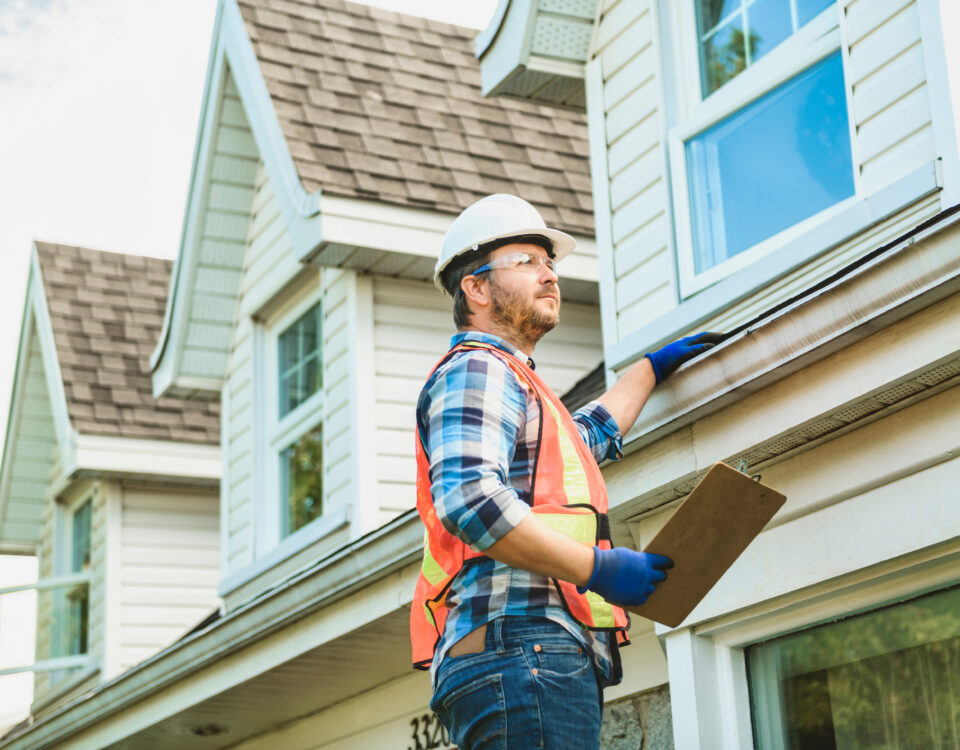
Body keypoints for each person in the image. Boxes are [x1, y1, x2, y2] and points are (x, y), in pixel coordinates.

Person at [410, 194, 723, 749]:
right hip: (523, 649)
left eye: (549, 263)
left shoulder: (518, 384)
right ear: (476, 289)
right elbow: (471, 500)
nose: (549, 274)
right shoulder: (479, 368)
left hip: (526, 654)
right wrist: (597, 568)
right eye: (526, 261)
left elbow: (586, 439)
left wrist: (648, 371)